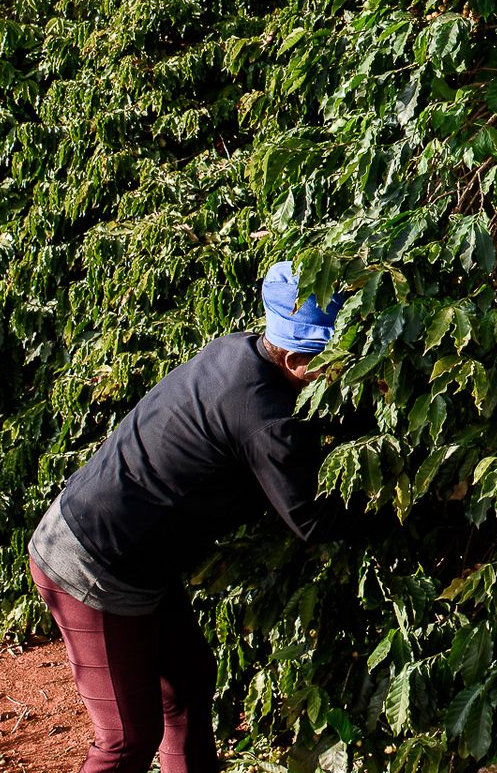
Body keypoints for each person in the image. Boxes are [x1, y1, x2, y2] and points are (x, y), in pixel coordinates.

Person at [28, 262, 352, 773]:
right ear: (295, 361)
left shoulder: (239, 351)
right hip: (91, 563)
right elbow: (311, 520)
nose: (343, 375)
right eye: (335, 363)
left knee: (188, 683)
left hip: (128, 548)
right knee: (126, 739)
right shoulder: (265, 417)